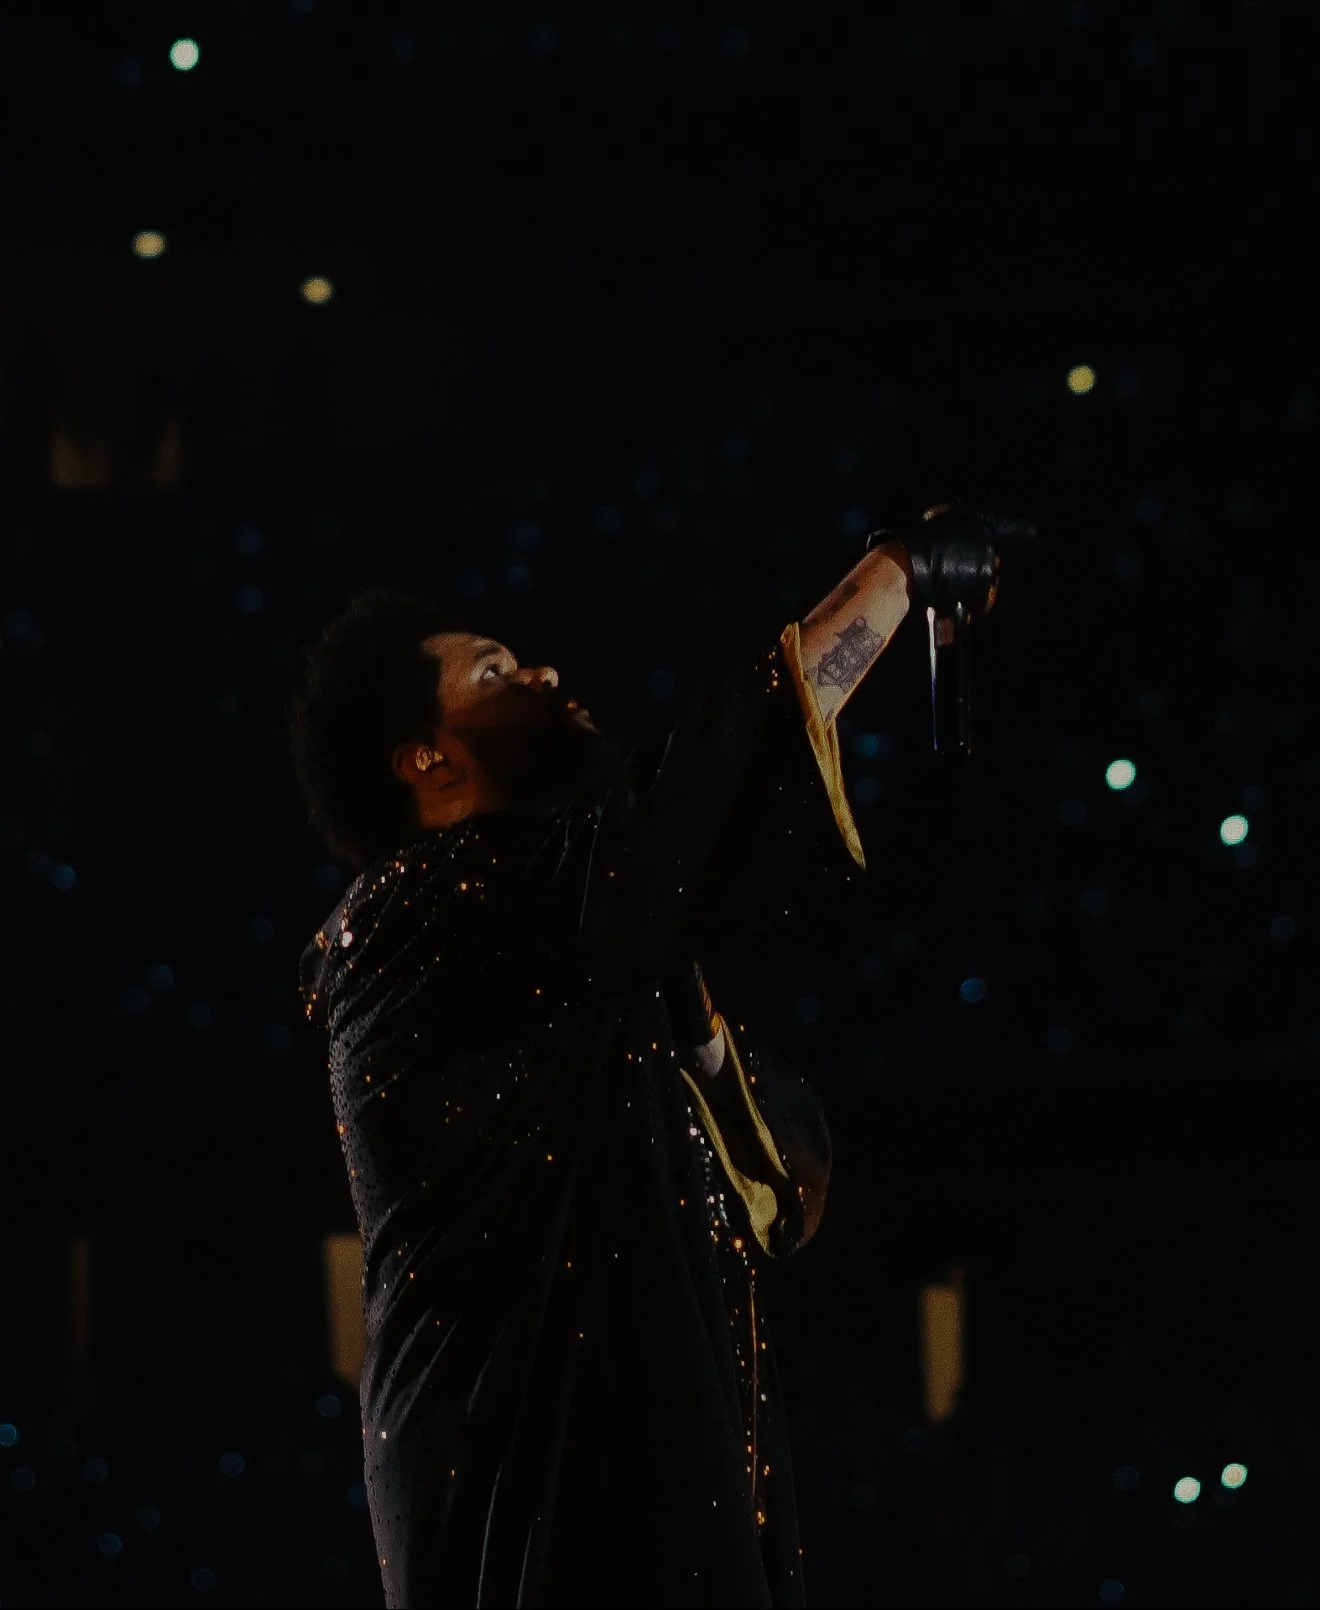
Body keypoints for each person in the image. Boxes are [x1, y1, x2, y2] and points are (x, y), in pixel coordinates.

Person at [290, 504, 1018, 1608]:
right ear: (427, 758)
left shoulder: (593, 955)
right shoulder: (408, 920)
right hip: (529, 1514)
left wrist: (694, 1031)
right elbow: (681, 806)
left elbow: (783, 1183)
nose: (536, 669)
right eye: (491, 670)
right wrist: (895, 574)